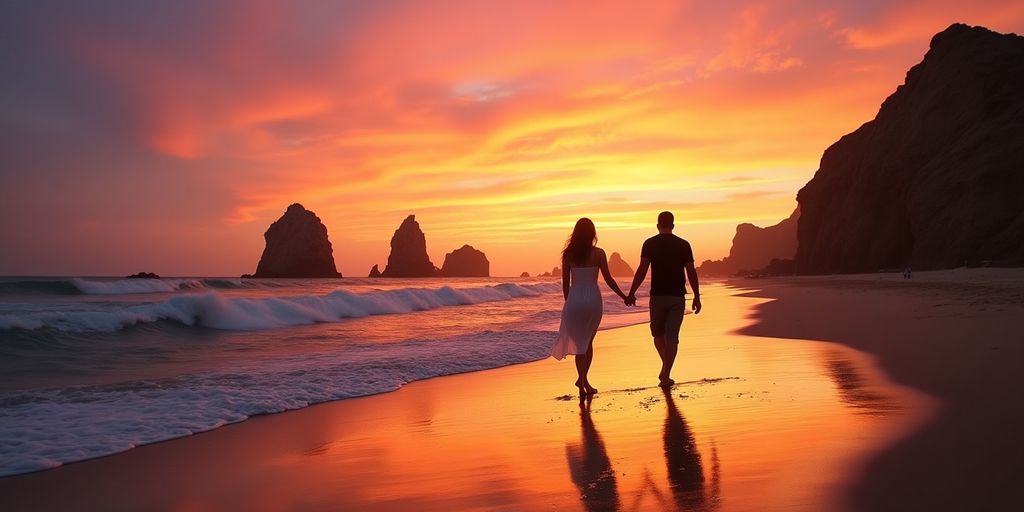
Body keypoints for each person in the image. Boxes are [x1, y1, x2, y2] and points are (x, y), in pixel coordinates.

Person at [551, 218, 629, 397]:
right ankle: (584, 380)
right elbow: (609, 280)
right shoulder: (599, 253)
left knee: (580, 344)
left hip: (575, 300)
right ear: (593, 233)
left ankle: (582, 382)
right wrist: (624, 296)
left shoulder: (568, 255)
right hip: (593, 300)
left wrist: (568, 303)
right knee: (588, 342)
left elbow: (565, 284)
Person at [627, 211, 702, 387]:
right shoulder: (684, 244)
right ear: (673, 225)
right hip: (677, 297)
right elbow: (691, 271)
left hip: (657, 297)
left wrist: (631, 292)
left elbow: (642, 270)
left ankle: (665, 373)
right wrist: (697, 296)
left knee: (658, 334)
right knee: (672, 337)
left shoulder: (649, 243)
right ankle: (666, 371)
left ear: (658, 225)